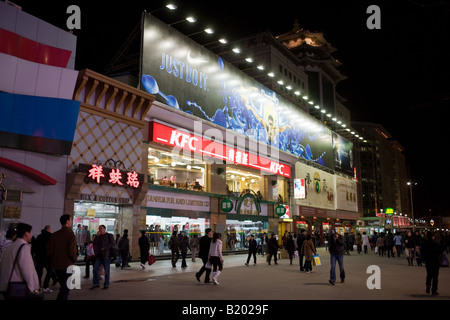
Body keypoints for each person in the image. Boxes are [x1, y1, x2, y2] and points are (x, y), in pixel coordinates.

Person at [0, 223, 41, 299]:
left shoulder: (11, 246)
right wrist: (32, 289)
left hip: (6, 286)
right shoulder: (23, 247)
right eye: (31, 232)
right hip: (17, 288)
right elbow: (27, 270)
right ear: (26, 234)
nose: (32, 235)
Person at [47, 214, 78, 300]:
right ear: (67, 221)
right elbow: (72, 251)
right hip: (67, 265)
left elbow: (49, 250)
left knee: (63, 287)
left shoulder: (55, 235)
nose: (71, 222)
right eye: (71, 220)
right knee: (65, 289)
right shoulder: (70, 234)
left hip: (56, 266)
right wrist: (74, 259)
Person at [33, 225, 57, 293]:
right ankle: (45, 286)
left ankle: (38, 286)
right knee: (49, 271)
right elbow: (53, 247)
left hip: (39, 257)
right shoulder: (50, 236)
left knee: (39, 272)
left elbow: (35, 247)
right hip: (47, 257)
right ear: (49, 229)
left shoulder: (39, 236)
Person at [90, 225, 115, 290]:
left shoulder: (109, 236)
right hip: (99, 256)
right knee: (95, 269)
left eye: (101, 228)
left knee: (106, 271)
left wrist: (105, 248)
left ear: (104, 229)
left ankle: (106, 284)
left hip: (106, 256)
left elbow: (112, 244)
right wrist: (97, 236)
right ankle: (96, 284)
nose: (100, 230)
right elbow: (94, 243)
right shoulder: (98, 236)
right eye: (99, 229)